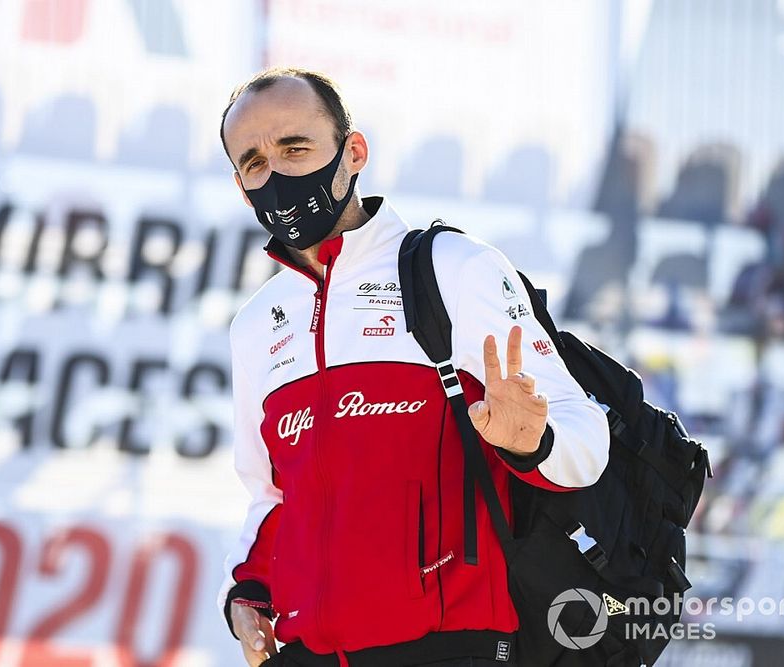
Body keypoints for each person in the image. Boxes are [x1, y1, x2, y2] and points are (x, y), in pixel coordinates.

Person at [217, 67, 610, 667]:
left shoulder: (453, 268)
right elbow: (271, 496)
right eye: (254, 162)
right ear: (243, 189)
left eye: (295, 147)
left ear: (354, 152)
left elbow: (586, 443)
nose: (277, 174)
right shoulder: (256, 324)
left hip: (451, 647)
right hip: (306, 653)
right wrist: (246, 590)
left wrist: (533, 441)